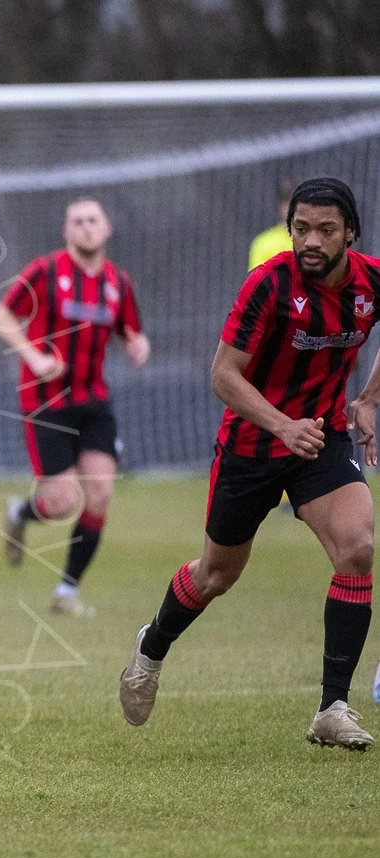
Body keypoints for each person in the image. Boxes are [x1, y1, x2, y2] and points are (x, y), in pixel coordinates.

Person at [121, 178, 379, 749]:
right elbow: (222, 375)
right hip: (252, 447)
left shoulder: (371, 281)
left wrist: (367, 399)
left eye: (326, 230)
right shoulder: (268, 284)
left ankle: (333, 707)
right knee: (217, 574)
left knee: (357, 547)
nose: (311, 241)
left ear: (351, 234)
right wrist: (282, 425)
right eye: (301, 229)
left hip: (320, 441)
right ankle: (152, 645)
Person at [0, 199, 152, 616]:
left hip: (94, 401)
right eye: (77, 221)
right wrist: (34, 357)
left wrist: (138, 344)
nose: (86, 227)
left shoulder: (118, 282)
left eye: (93, 220)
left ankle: (66, 592)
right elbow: (2, 318)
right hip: (46, 402)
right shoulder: (45, 271)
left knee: (100, 492)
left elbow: (130, 331)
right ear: (66, 231)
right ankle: (21, 512)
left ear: (107, 228)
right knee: (62, 503)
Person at [249, 182, 298, 272]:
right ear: (280, 206)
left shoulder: (311, 241)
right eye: (287, 202)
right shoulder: (264, 243)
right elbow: (257, 278)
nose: (292, 209)